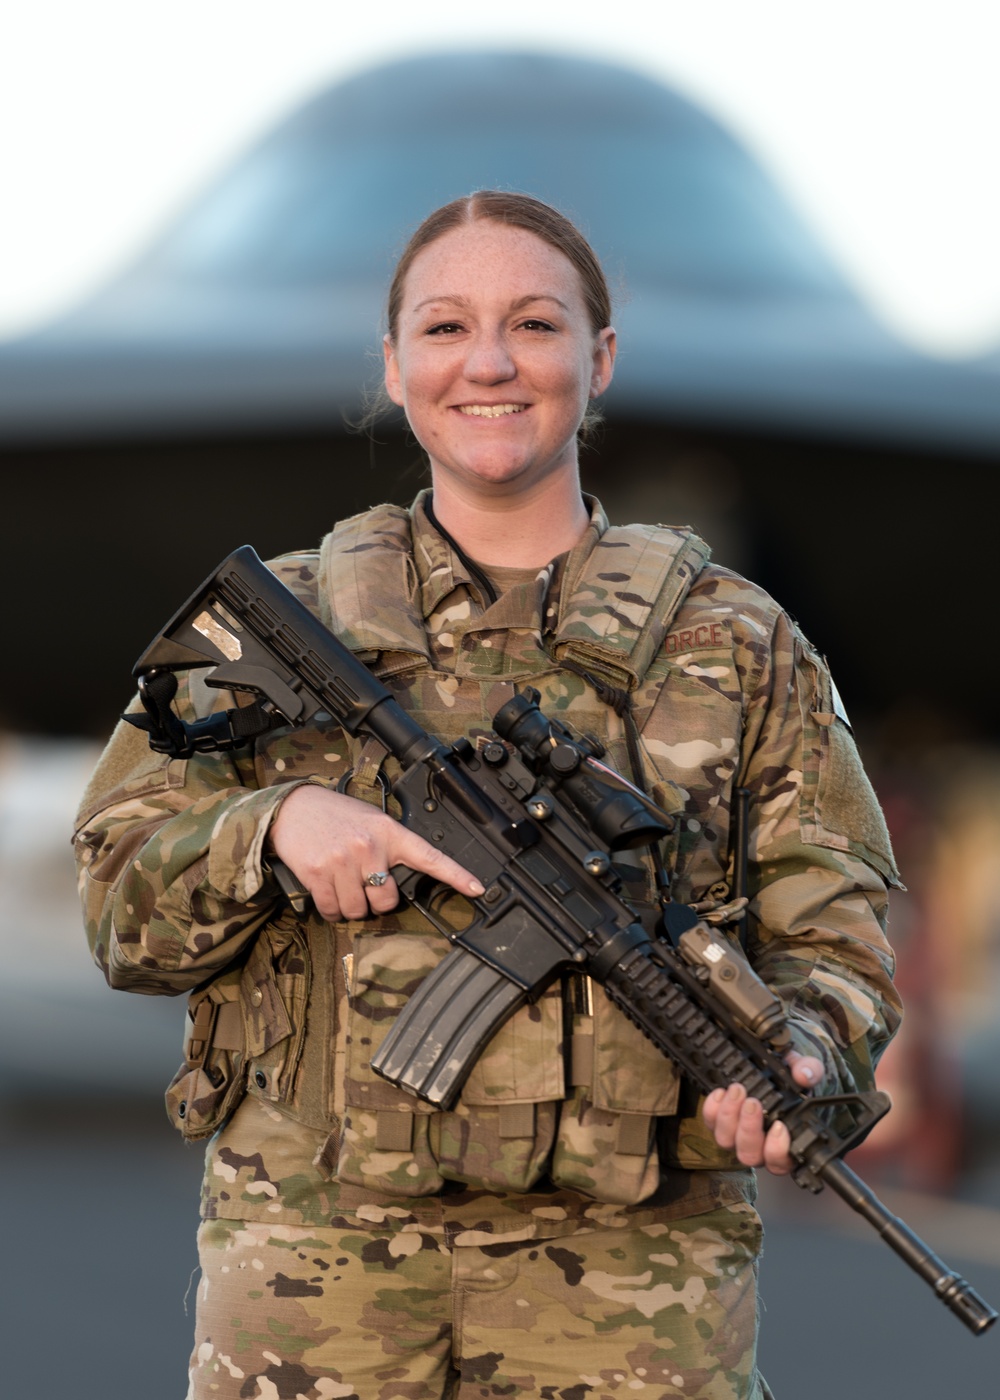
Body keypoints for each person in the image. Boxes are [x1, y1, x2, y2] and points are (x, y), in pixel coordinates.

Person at [74, 191, 901, 1400]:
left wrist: (804, 1046)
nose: (492, 363)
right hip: (316, 1272)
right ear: (396, 364)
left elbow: (836, 931)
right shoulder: (286, 619)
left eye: (534, 324)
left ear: (598, 357)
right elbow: (114, 903)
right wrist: (269, 829)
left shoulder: (735, 643)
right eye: (448, 327)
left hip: (632, 1288)